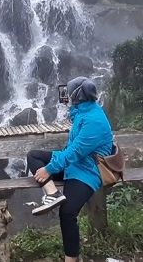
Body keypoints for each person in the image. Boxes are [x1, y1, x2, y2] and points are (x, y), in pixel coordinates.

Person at [26, 76, 115, 262]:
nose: (65, 96)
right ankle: (53, 193)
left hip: (89, 171)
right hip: (74, 164)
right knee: (33, 156)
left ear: (77, 96)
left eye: (69, 92)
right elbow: (72, 152)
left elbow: (76, 152)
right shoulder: (82, 112)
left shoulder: (94, 120)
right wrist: (52, 166)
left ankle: (71, 259)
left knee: (67, 212)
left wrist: (49, 169)